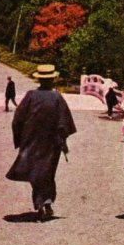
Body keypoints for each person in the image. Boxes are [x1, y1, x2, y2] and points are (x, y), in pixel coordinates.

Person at [6, 64, 76, 221]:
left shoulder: (30, 96)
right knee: (48, 172)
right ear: (52, 80)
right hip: (51, 144)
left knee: (36, 173)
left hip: (31, 142)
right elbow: (64, 123)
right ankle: (46, 201)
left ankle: (41, 203)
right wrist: (62, 140)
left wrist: (20, 140)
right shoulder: (57, 97)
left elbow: (17, 119)